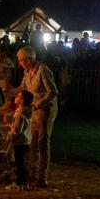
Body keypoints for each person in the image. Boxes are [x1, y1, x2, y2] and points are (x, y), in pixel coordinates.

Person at [17, 46, 58, 188]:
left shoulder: (43, 70)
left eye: (21, 60)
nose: (19, 63)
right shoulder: (27, 71)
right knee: (33, 142)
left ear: (28, 60)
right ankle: (32, 174)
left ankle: (42, 177)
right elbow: (22, 88)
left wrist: (38, 104)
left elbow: (52, 92)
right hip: (33, 110)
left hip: (45, 110)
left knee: (42, 142)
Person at [7, 90, 33, 190]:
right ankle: (24, 183)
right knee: (22, 163)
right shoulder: (28, 112)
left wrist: (10, 134)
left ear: (22, 100)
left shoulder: (20, 114)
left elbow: (17, 130)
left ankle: (18, 184)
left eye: (18, 96)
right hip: (26, 141)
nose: (16, 98)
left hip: (19, 142)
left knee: (18, 164)